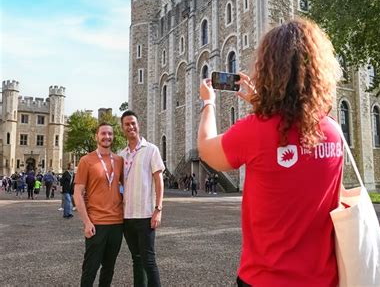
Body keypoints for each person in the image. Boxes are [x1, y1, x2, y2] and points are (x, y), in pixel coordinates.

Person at [197, 19, 343, 286]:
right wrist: (261, 105)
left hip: (265, 278)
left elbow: (207, 150)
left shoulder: (255, 130)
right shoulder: (333, 132)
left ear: (269, 70)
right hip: (323, 280)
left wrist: (208, 102)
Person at [74, 122, 124, 287]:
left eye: (110, 134)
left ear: (113, 136)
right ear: (96, 136)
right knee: (90, 268)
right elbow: (78, 194)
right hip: (96, 223)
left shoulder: (119, 160)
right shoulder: (86, 160)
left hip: (117, 223)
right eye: (103, 133)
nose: (107, 137)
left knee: (109, 268)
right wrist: (87, 222)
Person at [120, 110, 164, 287]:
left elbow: (158, 180)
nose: (130, 126)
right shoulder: (121, 155)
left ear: (138, 125)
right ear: (122, 128)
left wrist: (158, 209)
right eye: (127, 124)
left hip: (145, 214)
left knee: (149, 260)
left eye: (133, 123)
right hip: (126, 216)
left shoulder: (151, 149)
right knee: (136, 259)